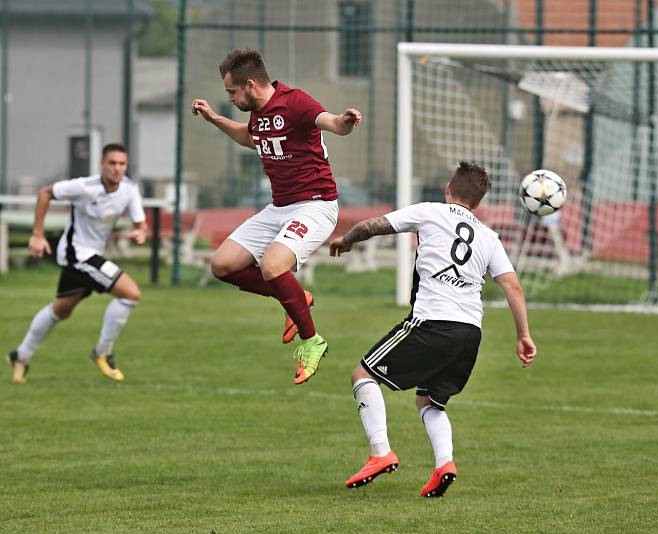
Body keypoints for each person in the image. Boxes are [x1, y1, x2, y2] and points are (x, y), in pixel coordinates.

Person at [329, 161, 537, 497]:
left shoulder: (431, 212)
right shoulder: (488, 236)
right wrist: (523, 334)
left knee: (363, 375)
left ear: (448, 189)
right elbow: (512, 286)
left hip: (432, 321)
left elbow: (373, 226)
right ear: (479, 202)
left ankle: (380, 452)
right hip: (470, 332)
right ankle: (444, 464)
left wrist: (347, 239)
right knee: (429, 401)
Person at [192, 48, 362, 384]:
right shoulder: (258, 113)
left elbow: (329, 122)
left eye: (231, 92)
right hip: (280, 207)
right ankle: (297, 299)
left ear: (250, 85)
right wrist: (215, 118)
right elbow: (249, 137)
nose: (229, 98)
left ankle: (312, 341)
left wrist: (344, 122)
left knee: (272, 266)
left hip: (316, 204)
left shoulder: (295, 102)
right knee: (222, 264)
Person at [7, 143, 147, 383]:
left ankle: (21, 355)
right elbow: (45, 193)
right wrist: (38, 235)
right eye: (112, 163)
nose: (117, 168)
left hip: (91, 256)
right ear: (102, 165)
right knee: (130, 294)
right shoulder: (85, 187)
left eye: (121, 164)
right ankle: (102, 352)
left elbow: (140, 225)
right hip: (76, 255)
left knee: (61, 310)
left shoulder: (129, 189)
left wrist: (140, 233)